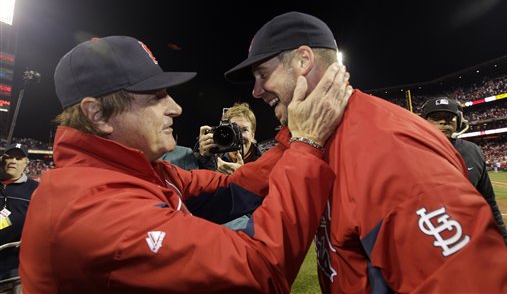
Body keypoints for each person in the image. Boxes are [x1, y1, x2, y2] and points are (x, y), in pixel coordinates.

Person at [19, 35, 352, 293]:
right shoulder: (92, 211)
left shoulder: (138, 171)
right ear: (98, 114)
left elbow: (232, 189)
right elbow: (258, 269)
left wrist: (293, 136)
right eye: (156, 97)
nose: (176, 108)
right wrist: (307, 144)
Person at [224, 11, 507, 293]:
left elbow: (468, 281)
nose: (256, 91)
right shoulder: (311, 137)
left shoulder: (389, 149)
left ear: (303, 61)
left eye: (263, 74)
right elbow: (233, 191)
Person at [420, 96, 507, 249]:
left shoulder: (473, 151)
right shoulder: (411, 150)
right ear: (424, 121)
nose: (443, 122)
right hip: (430, 238)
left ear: (459, 122)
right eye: (436, 118)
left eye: (449, 117)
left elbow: (488, 200)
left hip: (470, 236)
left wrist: (504, 238)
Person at [0, 143, 39, 293]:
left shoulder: (35, 189)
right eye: (9, 157)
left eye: (18, 158)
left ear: (26, 163)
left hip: (14, 268)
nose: (13, 161)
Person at [198, 102, 264, 174]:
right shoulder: (215, 159)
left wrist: (241, 176)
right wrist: (205, 158)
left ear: (252, 135)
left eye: (244, 130)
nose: (239, 136)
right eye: (234, 130)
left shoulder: (267, 160)